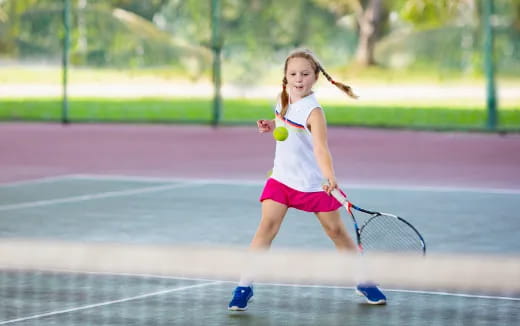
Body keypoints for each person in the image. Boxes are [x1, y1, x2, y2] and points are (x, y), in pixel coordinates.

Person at [228, 48, 386, 311]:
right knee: (266, 227)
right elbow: (284, 125)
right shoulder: (283, 98)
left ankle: (363, 280)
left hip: (313, 184)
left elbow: (321, 149)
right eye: (293, 74)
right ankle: (244, 285)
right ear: (285, 77)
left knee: (337, 232)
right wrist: (271, 125)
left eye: (305, 74)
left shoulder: (315, 112)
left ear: (315, 77)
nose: (298, 79)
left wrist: (330, 177)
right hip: (281, 179)